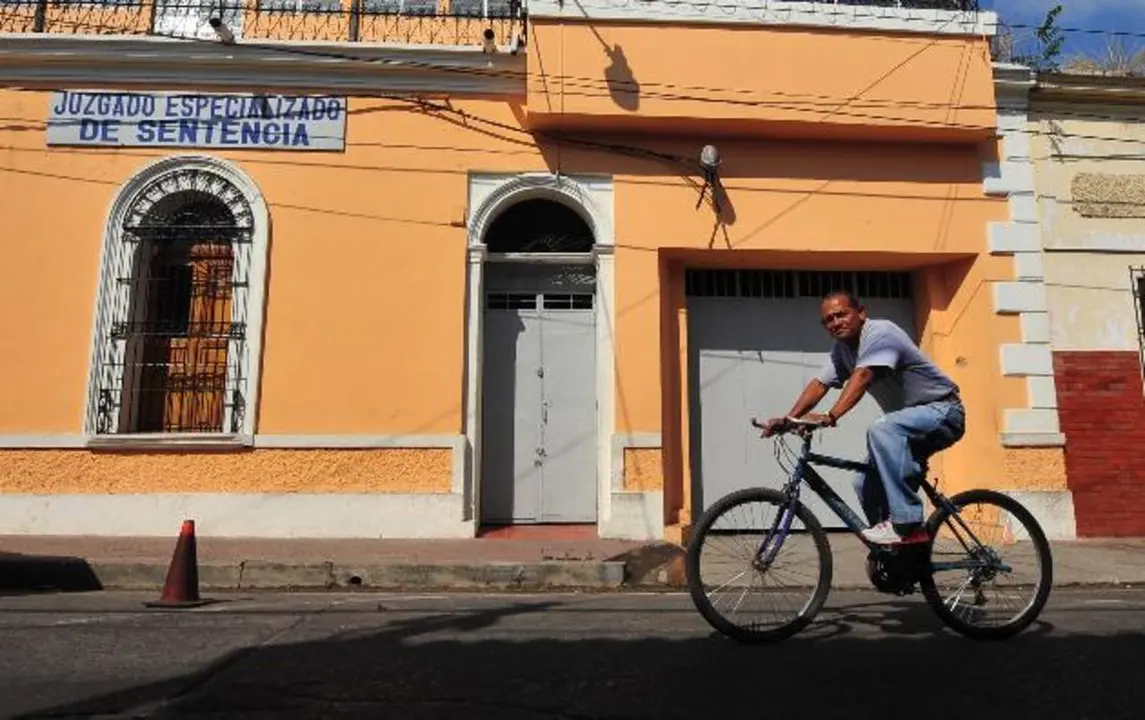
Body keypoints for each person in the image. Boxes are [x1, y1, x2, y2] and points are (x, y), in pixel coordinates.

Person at [756, 290, 966, 545]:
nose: (835, 323)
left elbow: (863, 376)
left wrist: (829, 416)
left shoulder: (881, 333)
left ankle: (906, 524)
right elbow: (820, 384)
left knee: (882, 429)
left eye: (841, 315)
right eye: (828, 320)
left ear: (861, 313)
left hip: (943, 411)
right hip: (908, 425)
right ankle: (898, 556)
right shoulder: (842, 350)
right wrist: (789, 420)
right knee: (864, 482)